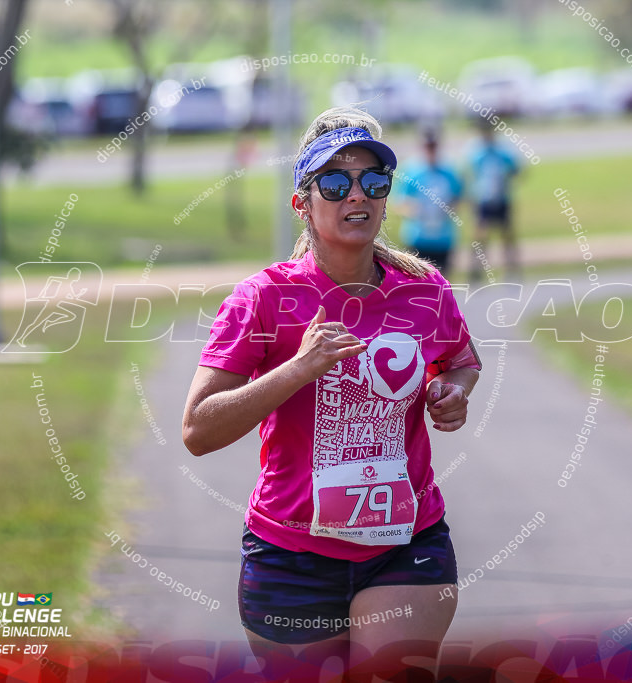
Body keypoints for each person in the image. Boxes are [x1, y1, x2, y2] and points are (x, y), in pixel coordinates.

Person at [182, 106, 481, 678]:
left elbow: (460, 361)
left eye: (373, 181)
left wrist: (451, 390)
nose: (357, 195)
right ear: (303, 202)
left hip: (407, 545)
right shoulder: (263, 299)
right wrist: (298, 369)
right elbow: (198, 429)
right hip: (290, 556)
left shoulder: (423, 289)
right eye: (335, 183)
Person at [396, 130, 464, 275]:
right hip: (418, 238)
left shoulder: (449, 171)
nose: (430, 150)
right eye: (427, 146)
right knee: (416, 286)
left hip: (443, 238)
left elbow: (458, 197)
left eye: (433, 146)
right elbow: (400, 202)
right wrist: (417, 211)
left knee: (443, 284)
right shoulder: (411, 171)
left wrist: (446, 210)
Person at [467, 122, 521, 280]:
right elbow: (470, 173)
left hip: (501, 198)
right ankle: (476, 270)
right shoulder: (477, 152)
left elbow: (516, 169)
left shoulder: (502, 151)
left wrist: (506, 181)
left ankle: (511, 270)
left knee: (507, 236)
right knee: (480, 236)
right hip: (483, 199)